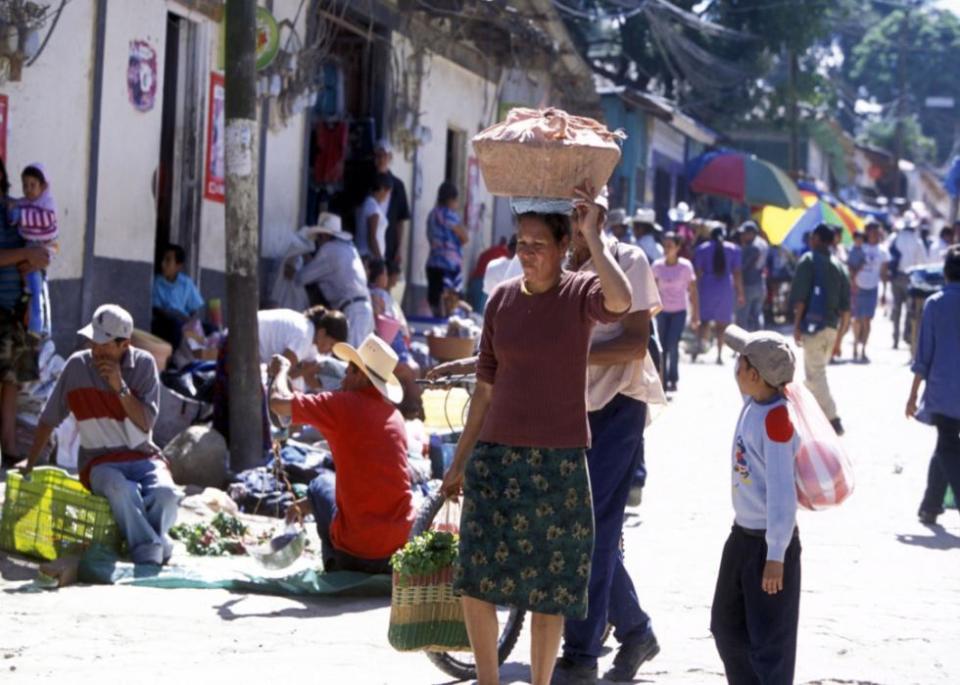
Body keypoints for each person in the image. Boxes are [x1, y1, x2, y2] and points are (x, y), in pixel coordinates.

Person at [439, 187, 632, 685]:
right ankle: (488, 680)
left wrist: (595, 233)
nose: (526, 253)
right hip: (497, 459)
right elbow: (485, 389)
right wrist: (460, 460)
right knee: (477, 581)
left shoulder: (579, 295)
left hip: (559, 463)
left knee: (552, 591)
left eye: (538, 244)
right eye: (521, 243)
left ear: (563, 244)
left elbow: (621, 301)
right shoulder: (501, 300)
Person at [554, 193, 665, 684]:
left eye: (584, 215)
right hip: (568, 406)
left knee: (589, 524)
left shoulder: (628, 259)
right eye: (569, 216)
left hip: (620, 404)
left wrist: (569, 355)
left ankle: (580, 654)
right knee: (577, 525)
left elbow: (635, 342)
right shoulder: (556, 266)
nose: (575, 225)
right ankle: (636, 630)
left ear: (602, 214)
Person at [19, 305, 181, 565]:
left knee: (168, 494)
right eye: (93, 341)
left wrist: (120, 387)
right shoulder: (76, 366)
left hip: (143, 456)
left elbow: (145, 422)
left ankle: (150, 538)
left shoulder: (144, 365)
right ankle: (150, 548)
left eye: (104, 344)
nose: (96, 350)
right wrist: (29, 463)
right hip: (99, 461)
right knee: (122, 489)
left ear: (124, 344)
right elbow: (49, 418)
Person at [270, 334, 414, 573]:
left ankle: (335, 563)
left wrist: (280, 371)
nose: (344, 378)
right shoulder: (395, 416)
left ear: (359, 374)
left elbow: (278, 403)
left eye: (348, 371)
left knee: (320, 482)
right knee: (328, 486)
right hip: (398, 551)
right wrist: (309, 505)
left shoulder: (341, 405)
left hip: (358, 550)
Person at [710, 325, 801, 685]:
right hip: (742, 538)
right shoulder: (754, 403)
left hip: (769, 545)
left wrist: (776, 555)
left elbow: (783, 494)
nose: (735, 367)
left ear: (754, 374)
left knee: (770, 644)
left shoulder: (777, 420)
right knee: (725, 627)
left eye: (740, 361)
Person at [0, 157, 49, 467]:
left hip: (19, 308)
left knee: (12, 381)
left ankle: (10, 446)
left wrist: (37, 259)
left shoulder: (15, 209)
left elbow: (40, 245)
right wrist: (25, 254)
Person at [907, 245, 960, 526]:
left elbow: (923, 357)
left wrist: (913, 395)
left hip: (944, 392)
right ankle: (930, 506)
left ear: (945, 273)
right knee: (946, 443)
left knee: (948, 445)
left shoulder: (936, 304)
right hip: (949, 392)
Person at [789, 223, 851, 436]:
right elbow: (846, 310)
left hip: (813, 327)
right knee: (814, 374)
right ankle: (811, 418)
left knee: (816, 374)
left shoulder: (808, 260)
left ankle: (833, 419)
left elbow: (801, 299)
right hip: (832, 328)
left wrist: (796, 325)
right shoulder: (839, 266)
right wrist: (840, 339)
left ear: (815, 238)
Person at [292, 213, 374, 347]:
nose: (318, 242)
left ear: (324, 236)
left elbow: (301, 278)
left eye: (319, 237)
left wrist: (296, 268)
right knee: (358, 359)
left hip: (353, 310)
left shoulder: (329, 250)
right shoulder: (349, 249)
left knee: (350, 359)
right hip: (364, 309)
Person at [652, 231, 699, 392]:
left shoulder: (686, 266)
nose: (666, 249)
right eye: (665, 245)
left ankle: (673, 377)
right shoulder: (657, 266)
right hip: (662, 311)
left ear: (678, 247)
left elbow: (693, 291)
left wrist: (695, 315)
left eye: (670, 246)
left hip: (679, 311)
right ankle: (663, 379)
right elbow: (652, 289)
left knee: (672, 344)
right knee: (662, 345)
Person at [16, 163, 58, 337]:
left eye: (33, 185)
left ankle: (38, 326)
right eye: (25, 185)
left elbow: (44, 223)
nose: (28, 189)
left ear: (43, 186)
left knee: (36, 286)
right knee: (33, 288)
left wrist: (20, 215)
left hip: (41, 252)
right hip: (30, 254)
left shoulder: (47, 207)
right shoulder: (24, 203)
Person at [693, 226, 744, 364]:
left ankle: (698, 349)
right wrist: (740, 292)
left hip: (707, 285)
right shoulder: (734, 249)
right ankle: (719, 355)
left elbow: (697, 272)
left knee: (703, 321)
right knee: (722, 325)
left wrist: (694, 291)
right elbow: (737, 273)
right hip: (725, 287)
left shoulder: (701, 249)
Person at [425, 181, 469, 317]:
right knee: (451, 305)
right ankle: (449, 336)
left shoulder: (432, 215)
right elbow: (465, 237)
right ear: (451, 199)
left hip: (433, 263)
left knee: (435, 303)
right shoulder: (449, 215)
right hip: (449, 267)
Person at [848, 223, 889, 363]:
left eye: (876, 232)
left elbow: (884, 273)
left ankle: (863, 349)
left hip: (872, 288)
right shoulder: (860, 247)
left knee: (867, 321)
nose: (874, 235)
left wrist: (884, 293)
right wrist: (852, 284)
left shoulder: (883, 251)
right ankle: (855, 345)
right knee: (857, 320)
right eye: (871, 232)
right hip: (858, 287)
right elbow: (851, 266)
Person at [151, 244, 205, 351]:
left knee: (210, 329)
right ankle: (173, 359)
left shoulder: (186, 283)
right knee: (175, 325)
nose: (162, 264)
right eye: (163, 260)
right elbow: (156, 309)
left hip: (183, 322)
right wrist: (176, 316)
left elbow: (195, 308)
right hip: (165, 323)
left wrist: (190, 322)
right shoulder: (157, 282)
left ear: (178, 266)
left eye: (168, 261)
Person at [889, 218, 929, 349]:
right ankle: (907, 337)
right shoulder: (917, 241)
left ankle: (895, 339)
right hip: (911, 278)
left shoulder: (895, 238)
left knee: (896, 308)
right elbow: (923, 262)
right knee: (909, 310)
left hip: (896, 277)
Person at [373, 139, 411, 272]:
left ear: (390, 158)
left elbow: (400, 220)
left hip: (388, 243)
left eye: (384, 156)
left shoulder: (398, 186)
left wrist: (399, 248)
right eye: (378, 156)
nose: (381, 160)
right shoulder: (367, 181)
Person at [735, 221, 768, 333]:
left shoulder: (752, 247)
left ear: (752, 233)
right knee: (757, 314)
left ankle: (743, 345)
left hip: (749, 285)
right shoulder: (763, 243)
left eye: (744, 233)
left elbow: (743, 267)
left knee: (743, 317)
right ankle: (760, 341)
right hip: (760, 284)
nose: (742, 236)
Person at [355, 173, 392, 262]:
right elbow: (372, 237)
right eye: (388, 192)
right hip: (370, 258)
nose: (387, 196)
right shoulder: (372, 207)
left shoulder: (369, 204)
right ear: (383, 189)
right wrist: (380, 260)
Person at [482, 233, 520, 302]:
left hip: (494, 307)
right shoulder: (528, 269)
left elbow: (488, 291)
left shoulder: (493, 264)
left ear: (508, 248)